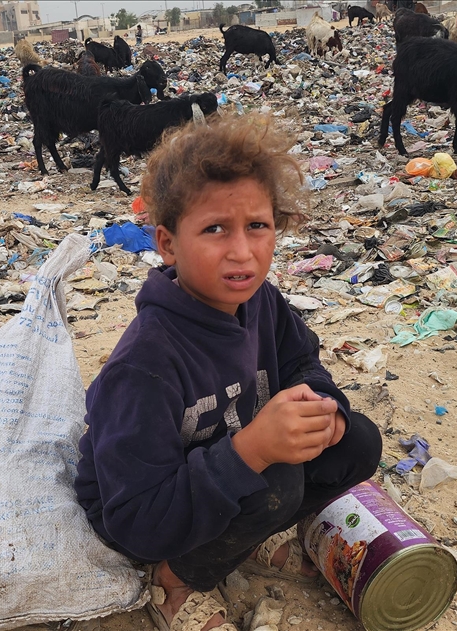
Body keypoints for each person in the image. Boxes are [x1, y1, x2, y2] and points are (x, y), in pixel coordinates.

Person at [74, 113, 382, 631]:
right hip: (139, 510)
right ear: (168, 243)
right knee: (276, 480)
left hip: (224, 457)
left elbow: (302, 360)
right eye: (215, 229)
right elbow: (136, 518)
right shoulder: (145, 364)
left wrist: (322, 408)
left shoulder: (260, 300)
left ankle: (247, 530)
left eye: (257, 226)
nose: (242, 252)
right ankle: (175, 578)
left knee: (359, 443)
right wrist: (254, 449)